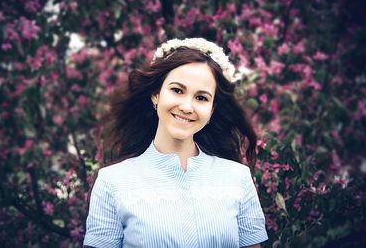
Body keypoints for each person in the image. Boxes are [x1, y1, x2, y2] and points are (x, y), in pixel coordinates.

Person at [83, 38, 268, 248]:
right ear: (156, 94)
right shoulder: (112, 182)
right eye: (177, 90)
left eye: (201, 98)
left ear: (212, 109)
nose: (187, 107)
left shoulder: (237, 178)